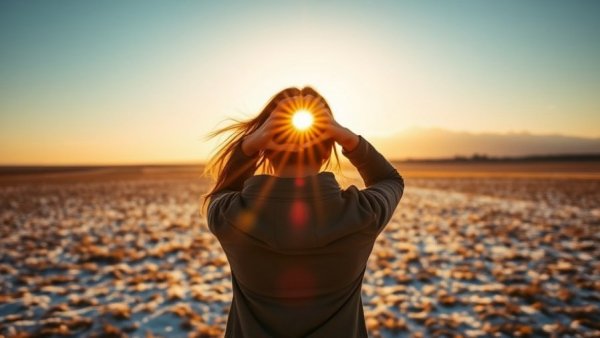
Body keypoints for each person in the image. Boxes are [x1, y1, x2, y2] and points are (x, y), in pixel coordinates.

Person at [202, 86, 404, 337]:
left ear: (266, 147)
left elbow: (223, 189)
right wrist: (349, 139)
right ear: (328, 148)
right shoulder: (363, 214)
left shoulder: (228, 216)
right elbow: (390, 180)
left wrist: (249, 147)